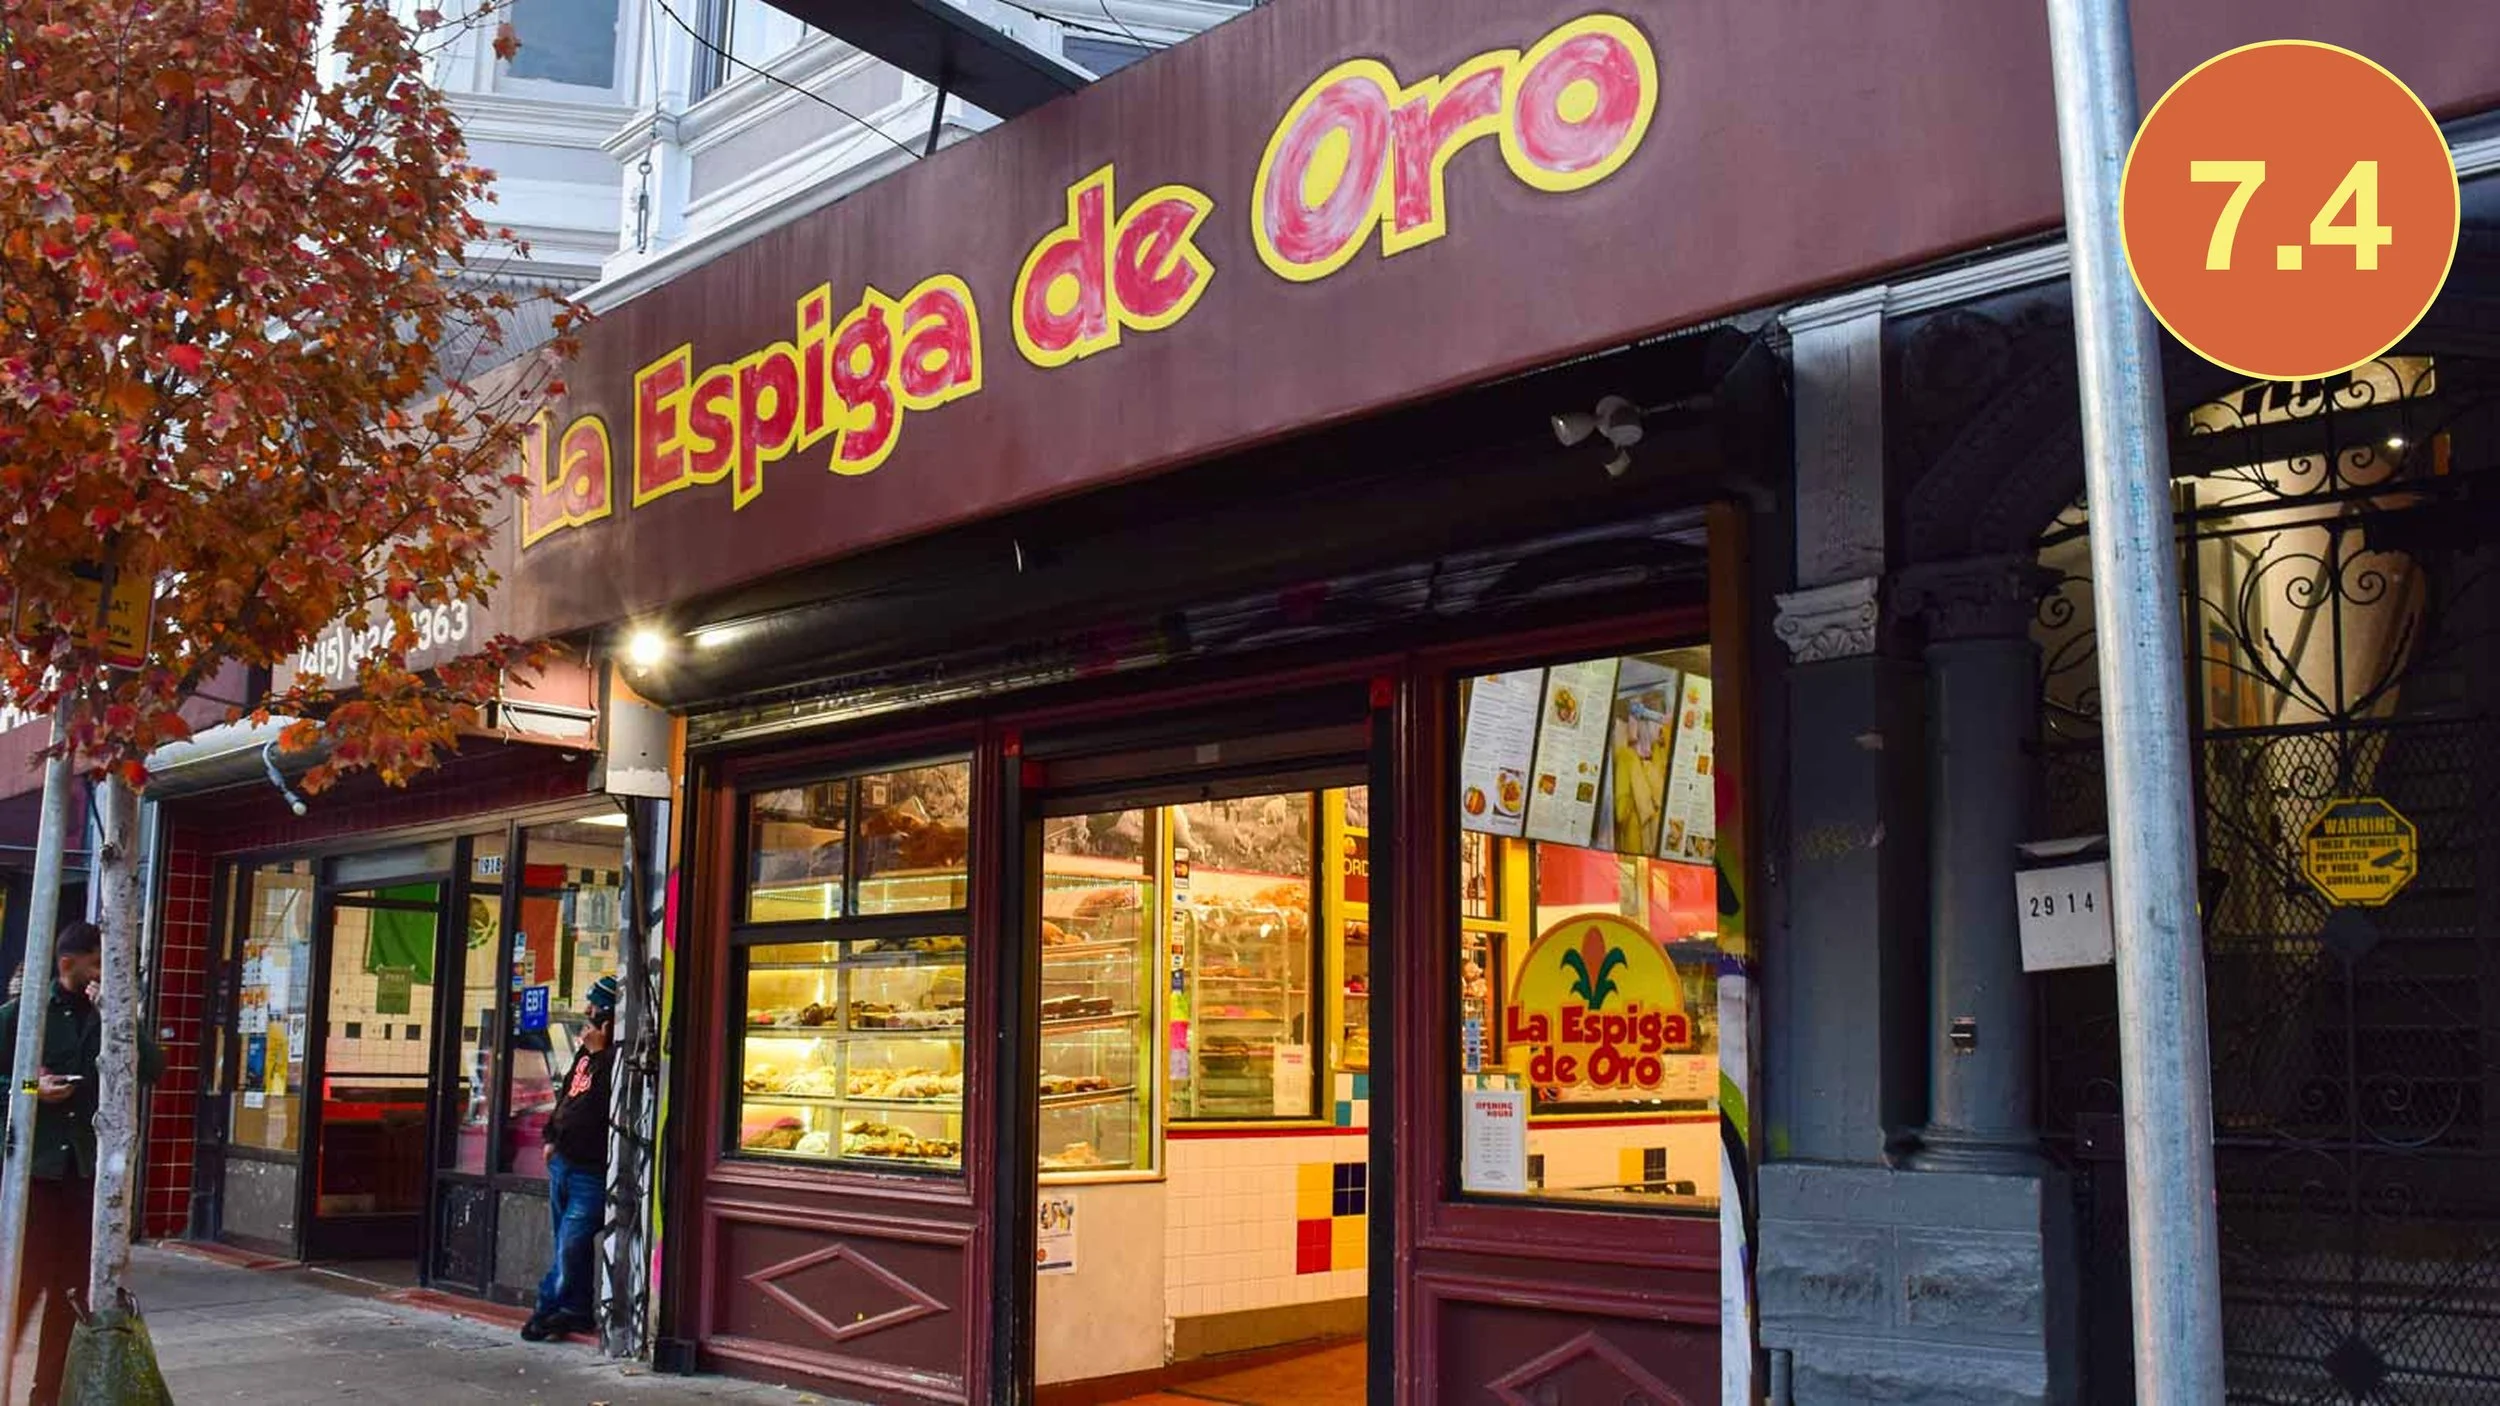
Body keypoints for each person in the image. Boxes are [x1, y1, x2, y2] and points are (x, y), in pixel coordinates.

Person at [0, 921, 163, 1406]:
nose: (102, 976)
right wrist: (32, 1089)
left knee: (70, 1300)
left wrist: (120, 1016)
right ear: (67, 963)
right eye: (96, 965)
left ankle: (46, 1397)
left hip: (83, 1183)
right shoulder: (23, 1015)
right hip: (35, 1181)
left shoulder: (105, 1016)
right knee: (16, 1295)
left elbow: (153, 1068)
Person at [521, 974, 620, 1343]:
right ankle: (576, 1311)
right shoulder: (586, 1051)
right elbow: (569, 1097)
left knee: (571, 1243)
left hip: (591, 1171)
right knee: (566, 1242)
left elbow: (608, 1102)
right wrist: (551, 1138)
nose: (587, 1011)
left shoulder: (613, 1057)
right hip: (564, 1161)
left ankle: (546, 1309)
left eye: (594, 1005)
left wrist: (599, 1054)